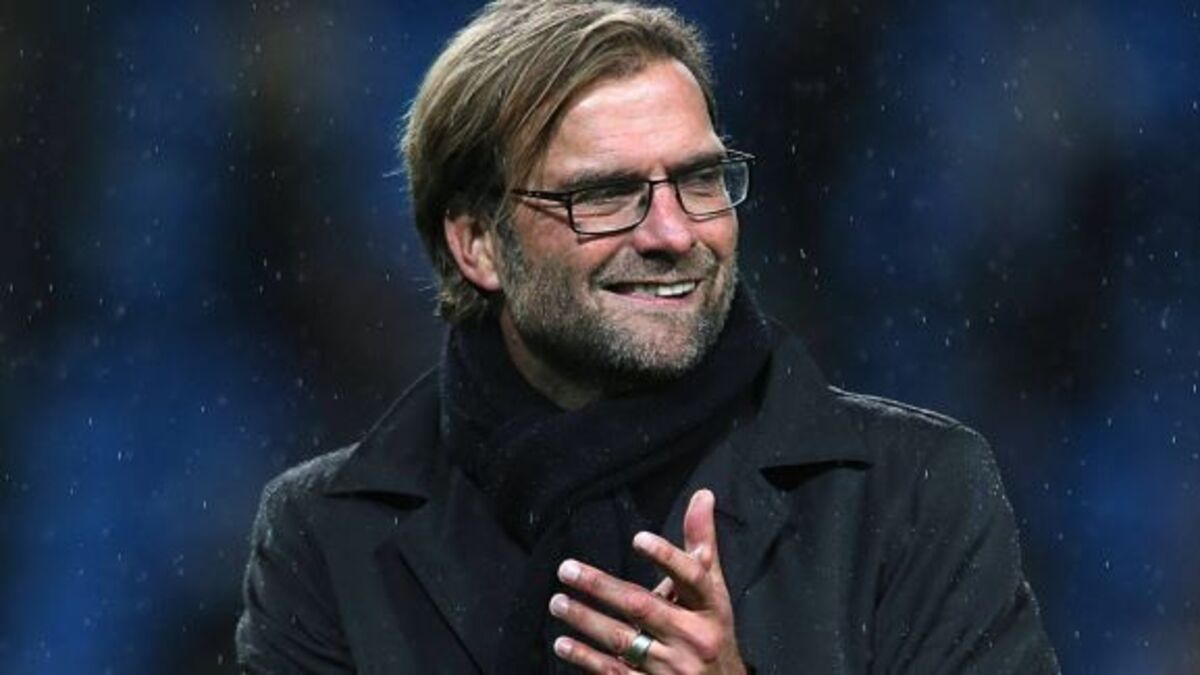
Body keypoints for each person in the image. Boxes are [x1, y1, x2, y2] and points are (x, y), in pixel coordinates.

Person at [236, 1, 1060, 672]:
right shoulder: (327, 535)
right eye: (603, 194)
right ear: (478, 244)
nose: (673, 232)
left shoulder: (914, 495)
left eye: (699, 180)